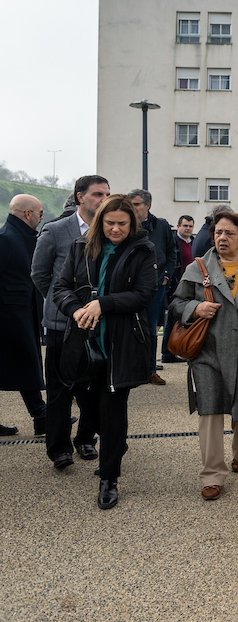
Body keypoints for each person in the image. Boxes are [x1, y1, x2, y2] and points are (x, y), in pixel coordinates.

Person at [52, 194, 157, 509]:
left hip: (121, 344)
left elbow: (144, 294)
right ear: (100, 222)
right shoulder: (80, 246)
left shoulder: (143, 248)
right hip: (83, 343)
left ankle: (109, 478)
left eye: (122, 224)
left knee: (112, 412)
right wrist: (75, 310)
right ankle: (115, 445)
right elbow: (60, 288)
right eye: (110, 223)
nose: (116, 229)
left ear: (132, 222)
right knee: (88, 406)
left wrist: (103, 304)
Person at [171, 211, 238, 501]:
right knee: (210, 412)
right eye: (218, 233)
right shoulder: (197, 268)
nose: (222, 238)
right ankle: (212, 475)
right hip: (208, 352)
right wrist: (195, 309)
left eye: (229, 233)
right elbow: (176, 304)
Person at [31, 175, 108, 468]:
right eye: (98, 194)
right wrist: (61, 303)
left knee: (95, 385)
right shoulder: (55, 230)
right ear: (80, 197)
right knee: (59, 388)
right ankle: (59, 448)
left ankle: (86, 440)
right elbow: (39, 275)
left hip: (98, 323)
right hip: (62, 323)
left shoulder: (110, 231)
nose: (103, 199)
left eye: (107, 194)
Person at [0, 195, 47, 437]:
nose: (41, 218)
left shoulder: (20, 236)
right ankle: (41, 414)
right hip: (9, 315)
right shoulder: (6, 237)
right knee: (25, 361)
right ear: (28, 214)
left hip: (20, 312)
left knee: (24, 363)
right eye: (40, 213)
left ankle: (41, 415)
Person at [128, 189, 176, 384]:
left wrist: (166, 277)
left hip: (156, 286)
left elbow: (172, 253)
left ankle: (150, 370)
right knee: (129, 327)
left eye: (136, 204)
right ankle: (130, 371)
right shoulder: (125, 225)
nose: (133, 208)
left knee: (150, 329)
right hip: (130, 286)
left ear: (147, 205)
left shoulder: (161, 225)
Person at [162, 215, 194, 364]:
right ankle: (167, 354)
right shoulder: (174, 242)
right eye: (185, 226)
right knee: (171, 320)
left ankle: (175, 351)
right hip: (175, 286)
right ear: (178, 226)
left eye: (190, 226)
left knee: (179, 320)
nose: (187, 228)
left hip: (189, 286)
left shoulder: (192, 242)